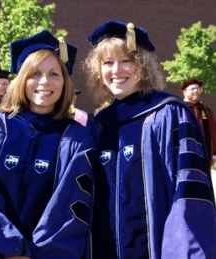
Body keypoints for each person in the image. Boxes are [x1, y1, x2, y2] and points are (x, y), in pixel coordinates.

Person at [0, 30, 95, 258]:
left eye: (54, 74)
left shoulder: (77, 139)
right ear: (22, 79)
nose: (44, 82)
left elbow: (71, 206)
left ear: (64, 82)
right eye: (34, 74)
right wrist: (3, 247)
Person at [84, 20, 216, 258]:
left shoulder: (169, 114)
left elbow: (190, 192)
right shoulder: (98, 125)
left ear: (142, 65)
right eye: (108, 63)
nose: (116, 71)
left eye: (126, 61)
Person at [180, 78, 216, 166]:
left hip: (206, 156)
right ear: (185, 92)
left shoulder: (206, 110)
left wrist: (214, 154)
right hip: (186, 155)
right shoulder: (180, 109)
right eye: (193, 89)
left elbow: (213, 132)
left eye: (198, 89)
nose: (196, 91)